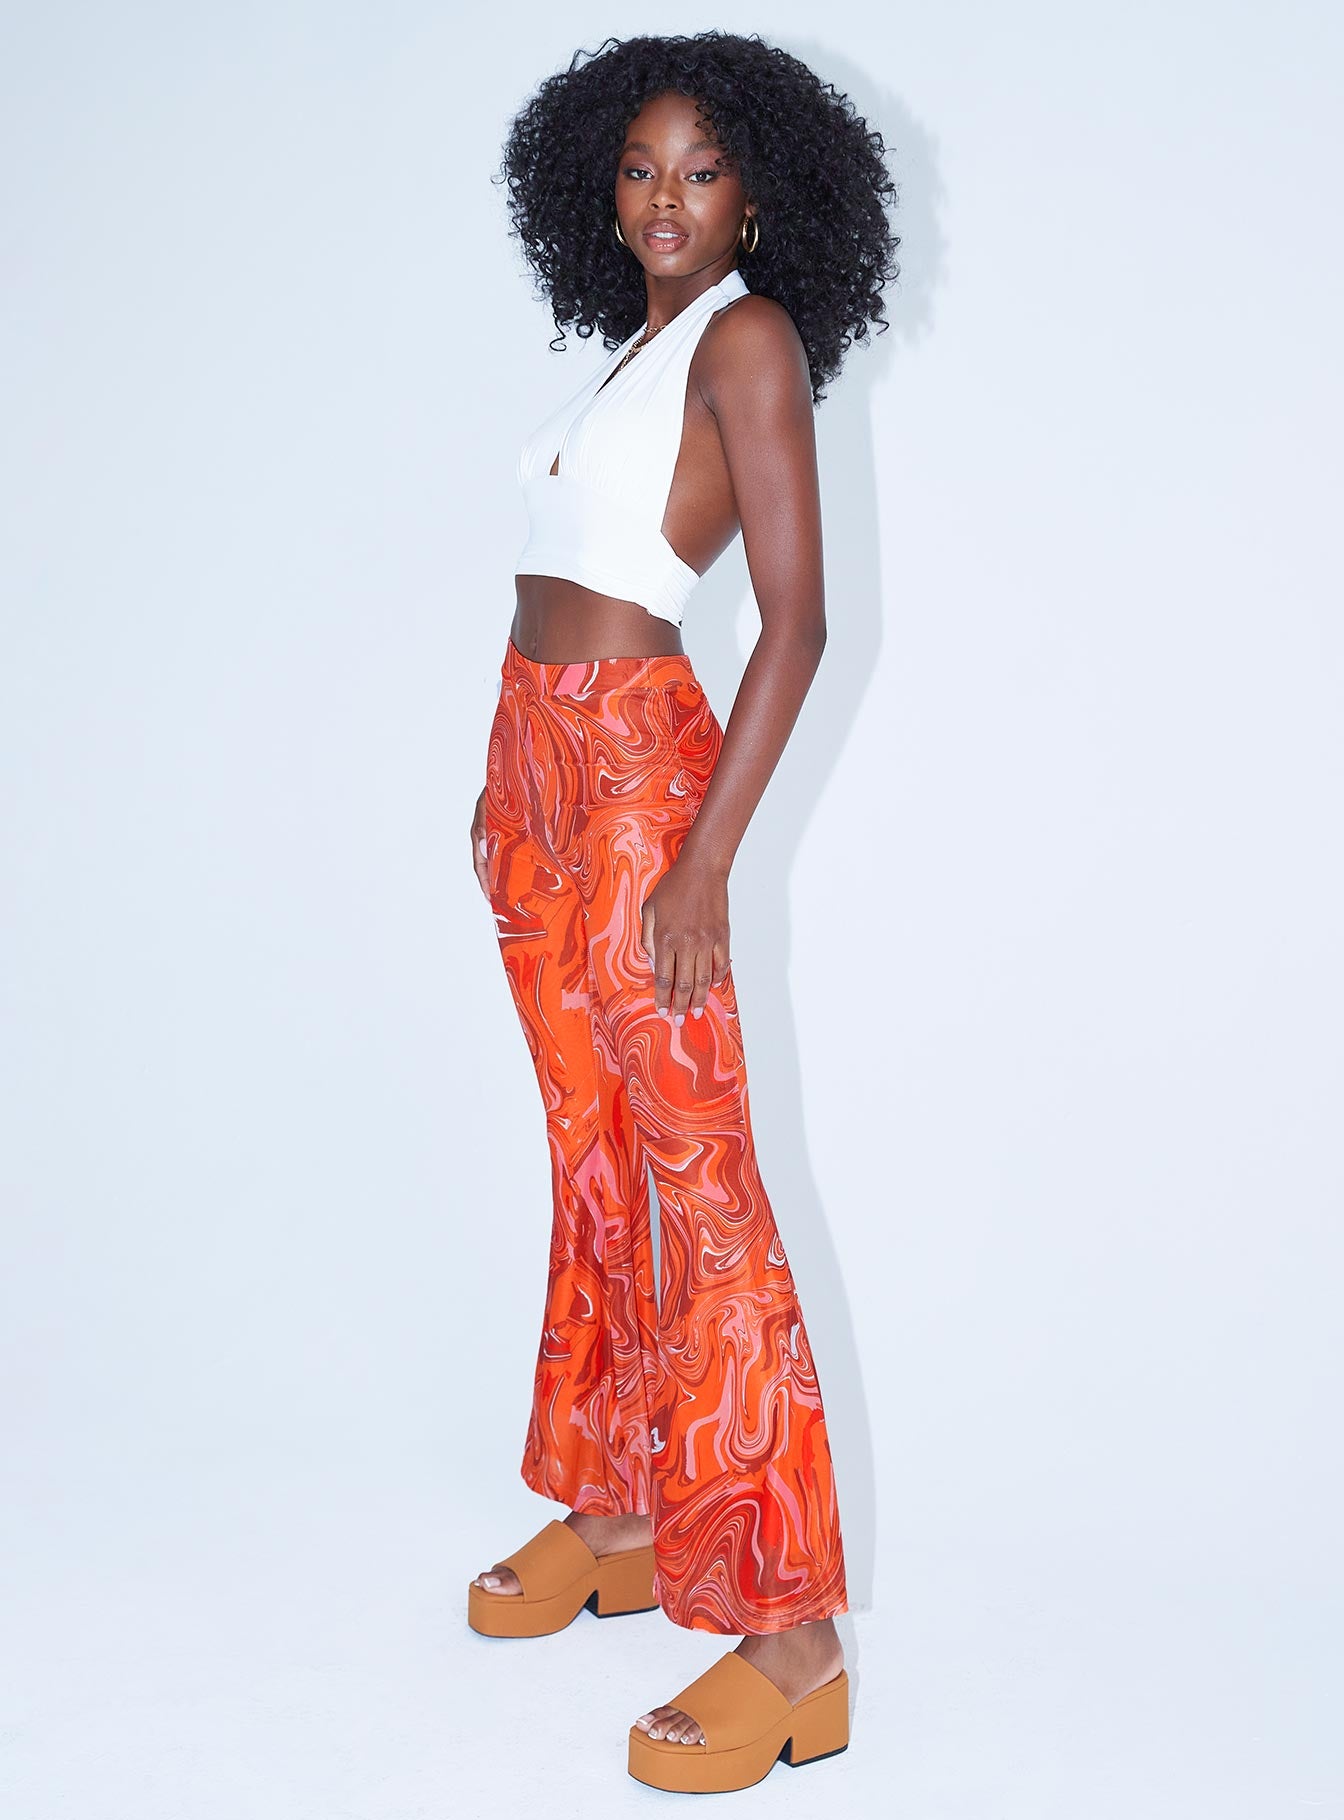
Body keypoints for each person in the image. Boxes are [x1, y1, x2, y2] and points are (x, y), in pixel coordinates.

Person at [467, 30, 899, 1795]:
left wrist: (707, 859)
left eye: (701, 171)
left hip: (649, 784)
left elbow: (799, 620)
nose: (666, 197)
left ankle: (795, 1643)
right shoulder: (632, 356)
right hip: (540, 773)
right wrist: (507, 783)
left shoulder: (748, 341)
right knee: (592, 1159)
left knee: (705, 1196)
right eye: (640, 168)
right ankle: (619, 1508)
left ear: (757, 196)